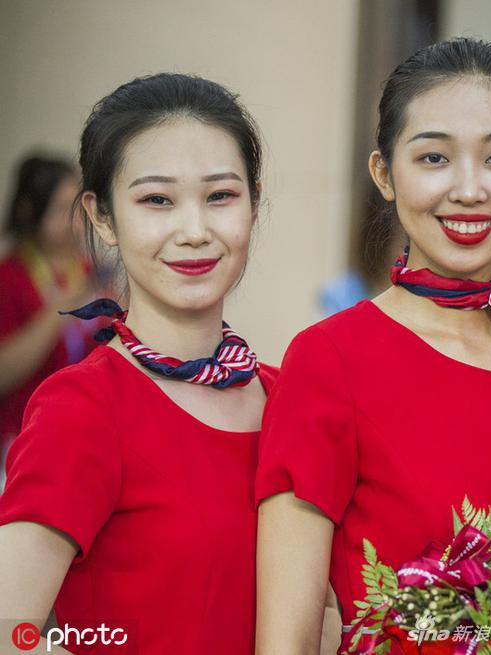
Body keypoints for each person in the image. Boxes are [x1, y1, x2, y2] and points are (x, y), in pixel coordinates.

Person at [255, 38, 491, 652]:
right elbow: (286, 638)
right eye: (434, 158)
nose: (469, 190)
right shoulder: (330, 359)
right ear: (384, 175)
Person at [0, 73, 275, 655]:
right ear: (101, 216)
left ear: (254, 201)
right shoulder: (82, 409)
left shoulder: (291, 399)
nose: (194, 232)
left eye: (220, 196)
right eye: (157, 200)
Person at [0, 155, 101, 466]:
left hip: (86, 433)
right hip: (25, 437)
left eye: (77, 208)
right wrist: (60, 307)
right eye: (60, 209)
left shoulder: (90, 271)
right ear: (30, 210)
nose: (74, 221)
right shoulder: (10, 277)